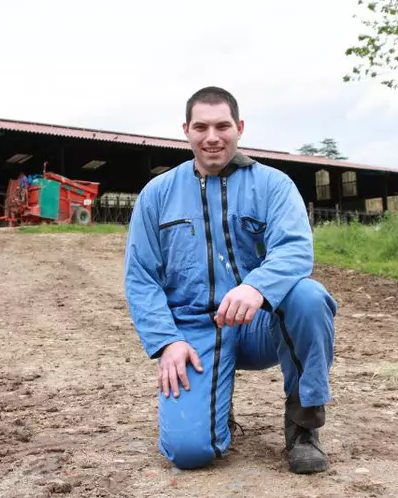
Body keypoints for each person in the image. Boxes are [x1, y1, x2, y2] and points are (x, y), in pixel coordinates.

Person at [123, 86, 337, 474]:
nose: (212, 137)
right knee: (190, 453)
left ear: (238, 127)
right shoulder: (157, 195)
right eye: (201, 126)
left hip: (259, 324)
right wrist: (166, 342)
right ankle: (215, 406)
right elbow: (141, 277)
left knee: (308, 297)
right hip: (193, 332)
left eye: (222, 125)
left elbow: (294, 249)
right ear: (185, 130)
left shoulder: (273, 184)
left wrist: (257, 287)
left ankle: (303, 428)